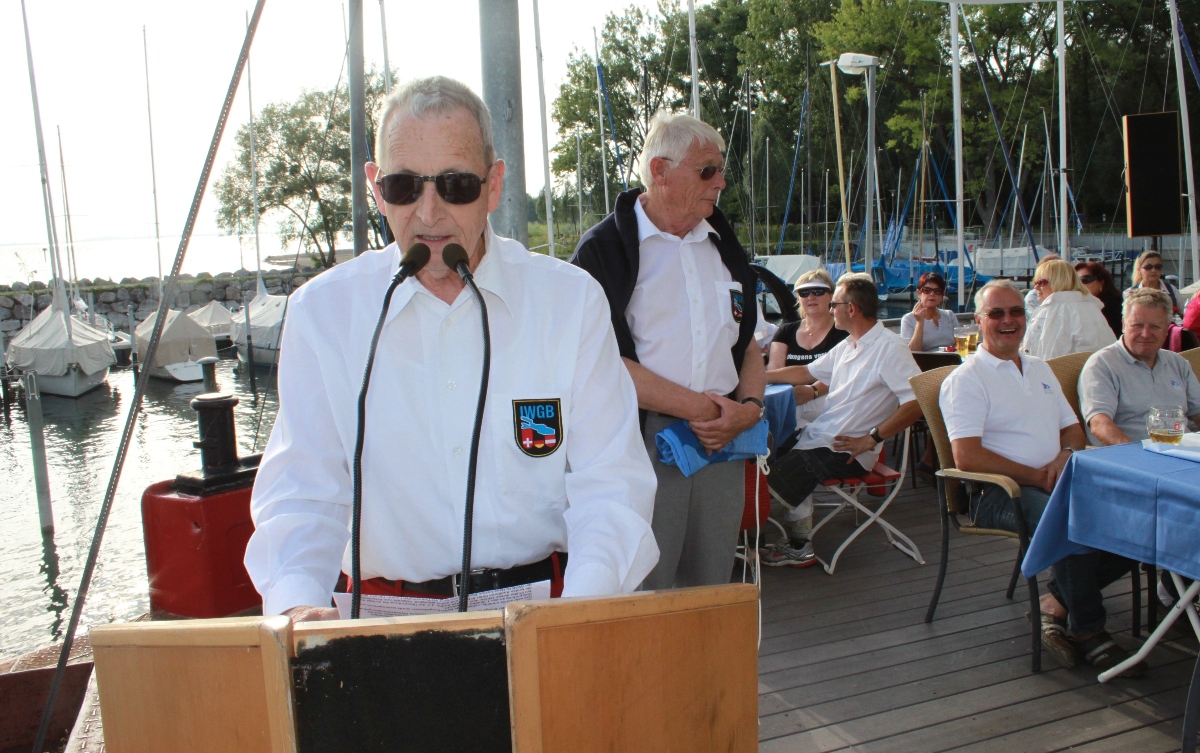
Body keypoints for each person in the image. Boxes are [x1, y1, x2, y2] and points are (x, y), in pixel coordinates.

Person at [245, 76, 659, 622]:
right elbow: (302, 493)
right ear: (376, 188)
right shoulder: (322, 313)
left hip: (543, 615)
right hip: (382, 623)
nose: (429, 212)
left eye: (456, 185)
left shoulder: (571, 302)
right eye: (403, 186)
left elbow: (610, 485)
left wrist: (577, 617)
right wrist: (297, 604)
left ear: (494, 185)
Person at [572, 112, 765, 590]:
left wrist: (749, 409)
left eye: (720, 170)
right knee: (646, 591)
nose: (720, 182)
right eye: (707, 170)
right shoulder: (603, 250)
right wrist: (710, 411)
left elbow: (748, 344)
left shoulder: (724, 246)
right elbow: (599, 364)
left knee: (713, 589)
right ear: (659, 171)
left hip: (724, 441)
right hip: (643, 442)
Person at [940, 279, 1139, 674]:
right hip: (998, 494)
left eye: (1016, 311)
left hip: (1056, 482)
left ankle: (1054, 604)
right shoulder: (966, 379)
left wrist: (1065, 456)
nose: (1008, 320)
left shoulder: (1038, 367)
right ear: (979, 320)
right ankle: (1089, 630)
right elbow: (967, 455)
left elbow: (1073, 429)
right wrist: (1034, 476)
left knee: (1134, 522)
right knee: (1068, 522)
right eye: (996, 313)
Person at [765, 274, 922, 519]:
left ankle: (794, 536)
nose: (830, 309)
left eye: (833, 304)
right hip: (822, 437)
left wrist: (871, 439)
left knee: (766, 482)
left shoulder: (890, 348)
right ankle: (796, 530)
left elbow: (917, 401)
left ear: (851, 309)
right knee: (763, 456)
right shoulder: (849, 344)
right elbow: (805, 372)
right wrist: (757, 378)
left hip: (847, 451)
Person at [764, 268, 847, 563]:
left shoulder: (842, 332)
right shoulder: (786, 330)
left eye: (818, 291)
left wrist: (811, 390)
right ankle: (790, 528)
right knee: (780, 435)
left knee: (783, 437)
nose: (811, 297)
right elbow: (774, 372)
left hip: (830, 405)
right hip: (792, 402)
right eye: (804, 292)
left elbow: (843, 376)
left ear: (831, 297)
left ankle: (793, 531)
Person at [1079, 288, 1200, 446]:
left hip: (1182, 451)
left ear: (1166, 330)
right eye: (1137, 325)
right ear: (1124, 325)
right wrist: (1136, 455)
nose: (1146, 334)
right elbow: (1100, 424)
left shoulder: (1177, 363)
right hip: (1132, 453)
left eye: (1155, 326)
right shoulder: (1102, 365)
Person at [1023, 258, 1116, 360]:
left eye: (1041, 282)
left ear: (1058, 281)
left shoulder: (1053, 310)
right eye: (1035, 283)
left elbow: (1047, 355)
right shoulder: (1091, 307)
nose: (1036, 287)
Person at [900, 272, 957, 352]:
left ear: (942, 295)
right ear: (919, 293)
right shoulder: (908, 319)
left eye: (937, 291)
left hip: (952, 359)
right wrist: (920, 323)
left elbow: (960, 344)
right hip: (925, 360)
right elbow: (912, 353)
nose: (932, 294)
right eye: (927, 290)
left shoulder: (949, 315)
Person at [1124, 250, 1182, 317]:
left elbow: (1184, 314)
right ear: (1139, 270)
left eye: (1158, 267)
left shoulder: (1173, 290)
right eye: (1148, 267)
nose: (1153, 270)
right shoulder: (1129, 293)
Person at [1073, 260, 1122, 337]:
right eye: (1076, 282)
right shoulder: (1078, 305)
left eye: (1085, 280)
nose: (1080, 285)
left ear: (1101, 282)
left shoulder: (1110, 305)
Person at [1024, 251, 1059, 320]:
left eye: (1042, 282)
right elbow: (1038, 322)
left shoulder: (1072, 301)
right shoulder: (1033, 298)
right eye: (1037, 282)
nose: (1036, 287)